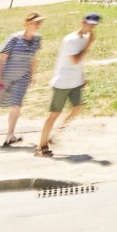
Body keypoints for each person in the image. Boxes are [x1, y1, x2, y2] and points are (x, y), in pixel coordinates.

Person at [36, 12, 100, 157]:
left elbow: (80, 62)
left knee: (77, 108)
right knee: (54, 114)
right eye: (89, 23)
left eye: (94, 25)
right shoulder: (70, 40)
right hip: (63, 81)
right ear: (82, 22)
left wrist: (82, 76)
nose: (91, 27)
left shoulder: (85, 38)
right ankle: (41, 146)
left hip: (75, 81)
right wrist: (89, 43)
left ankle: (56, 131)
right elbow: (76, 59)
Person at [0, 12, 44, 148]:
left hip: (23, 77)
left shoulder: (37, 39)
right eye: (35, 22)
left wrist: (33, 75)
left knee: (16, 105)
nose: (37, 25)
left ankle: (10, 135)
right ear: (27, 23)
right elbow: (2, 59)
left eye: (39, 23)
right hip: (5, 76)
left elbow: (33, 58)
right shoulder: (14, 39)